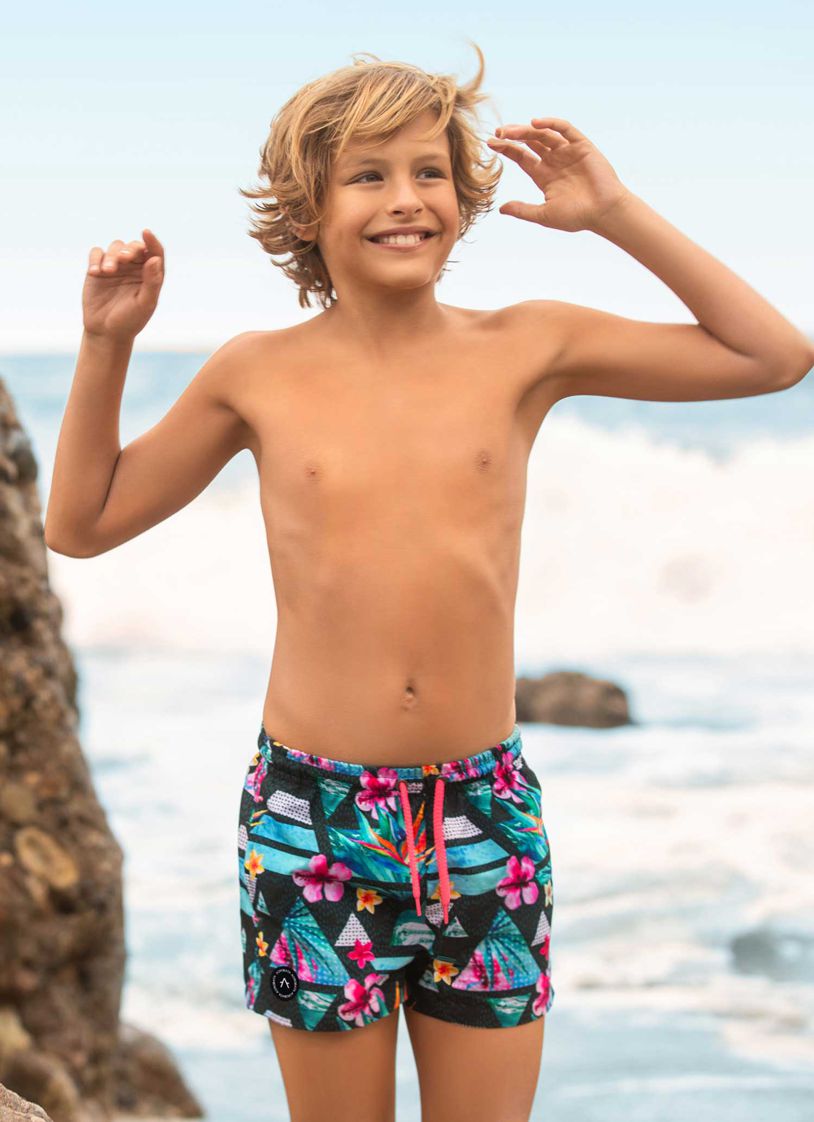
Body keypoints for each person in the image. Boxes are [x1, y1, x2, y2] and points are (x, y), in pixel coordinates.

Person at [44, 42, 812, 1122]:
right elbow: (80, 525)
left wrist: (615, 215)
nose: (406, 199)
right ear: (307, 209)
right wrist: (105, 346)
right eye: (368, 175)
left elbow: (773, 357)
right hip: (311, 817)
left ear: (463, 197)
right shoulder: (254, 371)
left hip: (482, 813)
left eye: (429, 172)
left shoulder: (527, 345)